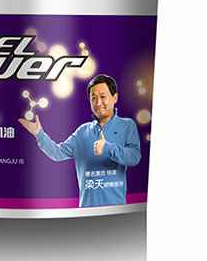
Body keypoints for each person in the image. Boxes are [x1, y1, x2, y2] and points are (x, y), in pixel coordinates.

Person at [19, 74, 141, 207]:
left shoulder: (127, 125)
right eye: (93, 98)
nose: (98, 103)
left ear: (115, 97)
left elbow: (134, 157)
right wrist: (39, 133)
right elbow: (57, 153)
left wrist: (108, 147)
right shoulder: (83, 132)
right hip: (86, 211)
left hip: (116, 210)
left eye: (103, 97)